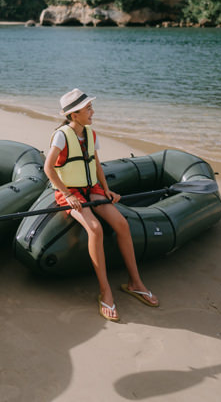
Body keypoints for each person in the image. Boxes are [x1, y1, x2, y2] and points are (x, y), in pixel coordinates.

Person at [44, 88, 159, 321]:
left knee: (121, 223)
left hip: (92, 188)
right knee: (94, 229)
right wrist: (68, 195)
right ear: (74, 114)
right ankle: (105, 291)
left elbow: (96, 164)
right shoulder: (61, 136)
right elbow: (48, 169)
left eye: (91, 107)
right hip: (70, 192)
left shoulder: (91, 134)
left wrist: (105, 189)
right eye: (88, 108)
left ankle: (135, 282)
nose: (92, 111)